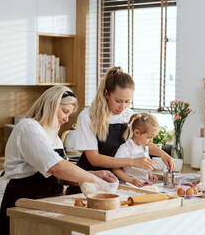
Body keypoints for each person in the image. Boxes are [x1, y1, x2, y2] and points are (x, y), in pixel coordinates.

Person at [0, 85, 117, 235]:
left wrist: (95, 174)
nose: (67, 119)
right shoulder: (28, 127)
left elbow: (59, 176)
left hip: (40, 206)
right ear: (51, 105)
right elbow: (56, 168)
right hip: (14, 204)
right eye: (65, 111)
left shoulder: (53, 135)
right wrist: (96, 180)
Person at [67, 66, 174, 194]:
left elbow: (139, 141)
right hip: (89, 182)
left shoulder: (129, 115)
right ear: (106, 94)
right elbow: (94, 159)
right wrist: (133, 162)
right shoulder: (88, 116)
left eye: (127, 101)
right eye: (118, 101)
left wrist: (162, 154)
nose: (122, 106)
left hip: (115, 182)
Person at [112, 113, 160, 187]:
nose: (151, 142)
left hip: (143, 184)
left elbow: (145, 166)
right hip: (128, 185)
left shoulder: (144, 147)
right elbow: (115, 169)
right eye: (148, 138)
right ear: (137, 132)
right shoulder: (125, 148)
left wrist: (150, 175)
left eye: (152, 138)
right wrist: (131, 180)